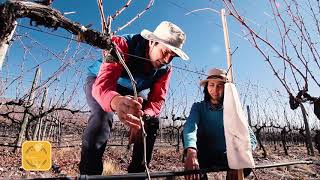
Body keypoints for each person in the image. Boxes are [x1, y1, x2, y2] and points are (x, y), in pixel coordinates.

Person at [79, 21, 189, 175]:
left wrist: (143, 118)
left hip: (134, 90)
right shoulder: (121, 44)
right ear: (152, 42)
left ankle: (137, 174)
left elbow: (157, 99)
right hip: (100, 81)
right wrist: (116, 102)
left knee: (150, 123)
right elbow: (103, 87)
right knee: (102, 115)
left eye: (173, 56)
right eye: (165, 52)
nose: (167, 60)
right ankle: (88, 174)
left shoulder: (166, 69)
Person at [183, 68, 257, 180]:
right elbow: (190, 127)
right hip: (203, 155)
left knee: (244, 164)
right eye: (211, 85)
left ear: (226, 89)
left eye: (220, 86)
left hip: (227, 156)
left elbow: (250, 138)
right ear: (206, 87)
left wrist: (239, 157)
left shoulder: (233, 110)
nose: (215, 90)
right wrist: (191, 152)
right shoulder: (198, 107)